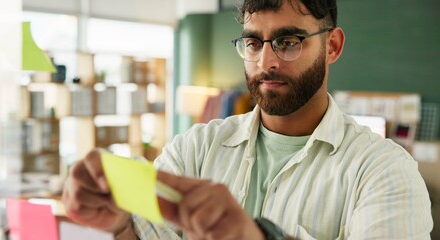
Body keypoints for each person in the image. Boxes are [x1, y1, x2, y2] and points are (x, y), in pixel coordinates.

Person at [62, 0, 434, 239]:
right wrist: (115, 222)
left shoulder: (384, 171)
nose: (266, 62)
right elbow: (142, 234)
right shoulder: (195, 148)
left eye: (288, 42)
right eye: (254, 43)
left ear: (332, 46)